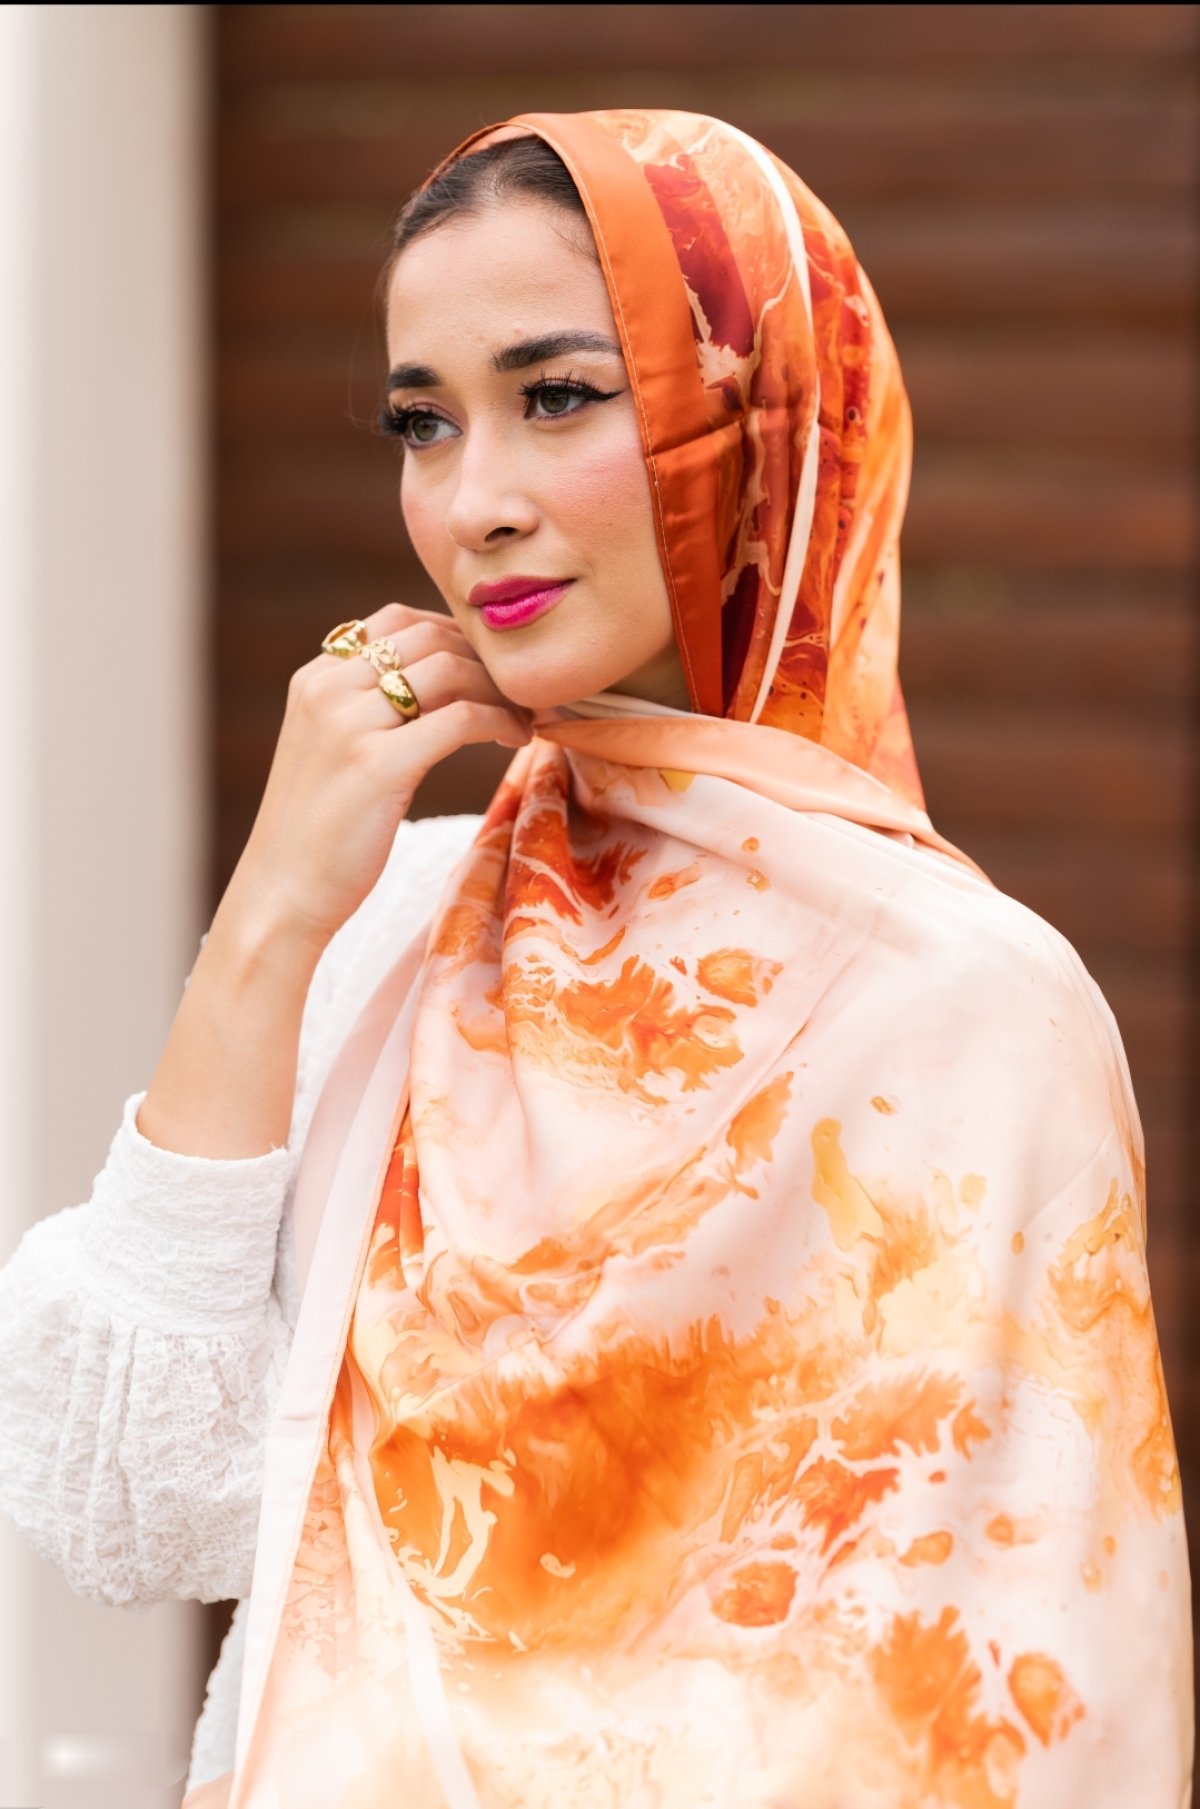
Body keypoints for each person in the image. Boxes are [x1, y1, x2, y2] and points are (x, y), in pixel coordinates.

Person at [0, 108, 1191, 1808]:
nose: (472, 503)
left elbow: (1011, 1706)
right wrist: (269, 916)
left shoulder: (968, 1009)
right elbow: (129, 1505)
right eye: (424, 422)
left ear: (764, 429)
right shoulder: (404, 923)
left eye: (557, 396)